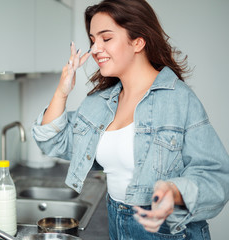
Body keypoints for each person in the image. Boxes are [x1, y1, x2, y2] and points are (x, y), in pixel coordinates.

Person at [31, 0, 229, 239]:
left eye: (106, 38)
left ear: (138, 41)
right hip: (117, 222)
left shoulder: (178, 99)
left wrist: (175, 192)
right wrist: (62, 91)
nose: (94, 49)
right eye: (93, 40)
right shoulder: (99, 103)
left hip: (167, 230)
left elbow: (216, 176)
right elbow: (52, 140)